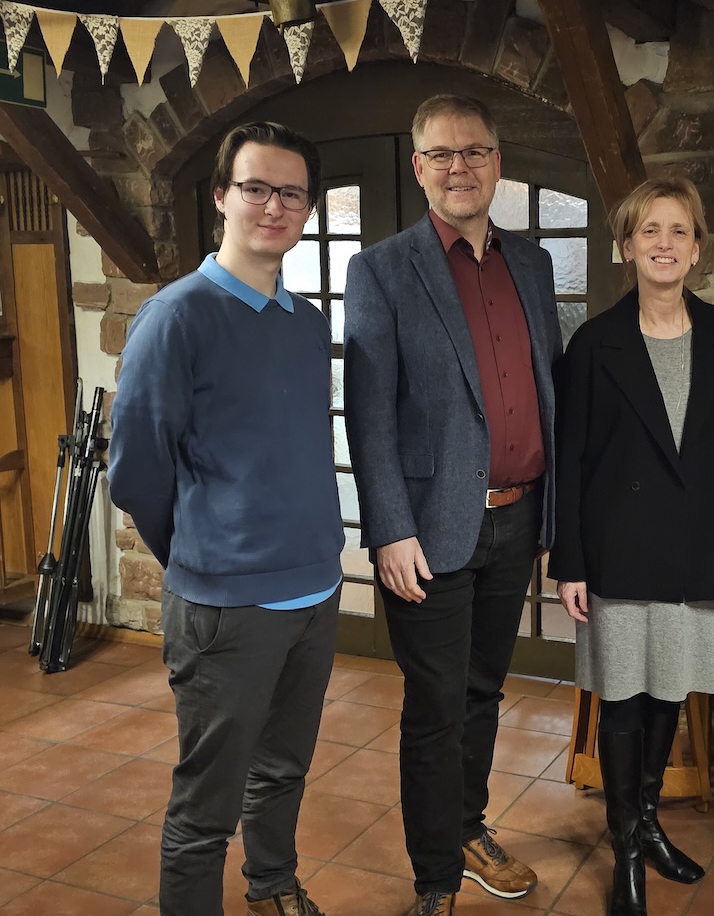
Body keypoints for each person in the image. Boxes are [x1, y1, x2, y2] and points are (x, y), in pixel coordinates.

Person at [108, 121, 342, 916]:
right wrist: (207, 552)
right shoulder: (175, 317)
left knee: (284, 768)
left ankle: (273, 887)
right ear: (220, 195)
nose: (274, 206)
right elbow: (136, 474)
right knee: (205, 807)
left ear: (307, 207)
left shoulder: (307, 323)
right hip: (225, 606)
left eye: (292, 193)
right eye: (256, 187)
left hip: (315, 589)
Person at [343, 94, 561, 916]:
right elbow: (368, 413)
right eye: (441, 153)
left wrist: (553, 516)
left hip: (517, 516)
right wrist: (389, 529)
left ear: (497, 162)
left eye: (473, 151)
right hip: (427, 530)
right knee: (435, 707)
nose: (459, 166)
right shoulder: (381, 270)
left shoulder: (531, 263)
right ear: (418, 167)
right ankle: (435, 876)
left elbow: (549, 388)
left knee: (482, 691)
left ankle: (468, 829)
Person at [552, 178, 714, 916]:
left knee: (669, 689)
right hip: (616, 551)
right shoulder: (594, 343)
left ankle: (646, 821)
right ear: (626, 246)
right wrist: (569, 561)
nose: (664, 244)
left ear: (697, 248)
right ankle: (627, 852)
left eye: (678, 231)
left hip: (695, 547)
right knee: (623, 702)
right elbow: (571, 461)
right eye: (649, 231)